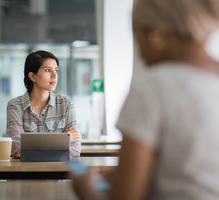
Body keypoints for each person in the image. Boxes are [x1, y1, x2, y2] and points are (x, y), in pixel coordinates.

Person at [70, 0, 219, 199]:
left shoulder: (153, 88)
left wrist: (86, 188)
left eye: (137, 38)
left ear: (157, 35)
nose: (139, 50)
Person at [6, 50, 82, 158]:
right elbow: (16, 148)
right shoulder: (15, 106)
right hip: (26, 173)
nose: (54, 75)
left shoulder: (65, 104)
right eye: (47, 70)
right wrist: (63, 139)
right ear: (32, 76)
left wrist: (31, 150)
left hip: (59, 173)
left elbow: (74, 151)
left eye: (56, 70)